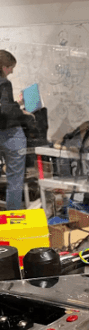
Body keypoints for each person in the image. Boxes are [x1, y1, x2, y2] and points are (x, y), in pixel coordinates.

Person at [0, 50, 30, 211]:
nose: (12, 71)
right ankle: (12, 218)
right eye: (11, 67)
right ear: (4, 67)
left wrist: (15, 104)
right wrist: (21, 110)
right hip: (10, 134)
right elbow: (5, 110)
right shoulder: (4, 83)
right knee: (15, 178)